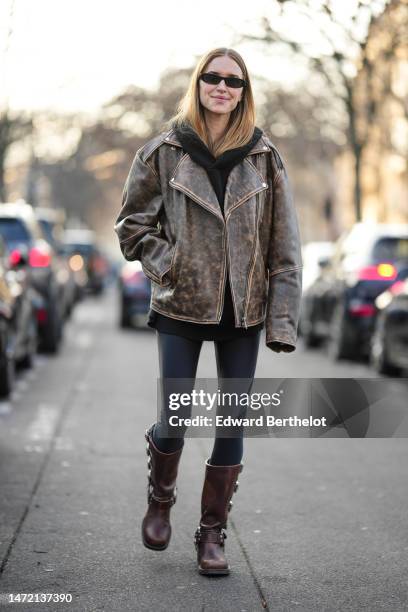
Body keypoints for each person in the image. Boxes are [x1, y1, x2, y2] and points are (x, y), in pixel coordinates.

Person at [114, 47, 303, 576]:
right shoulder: (163, 152)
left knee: (232, 421)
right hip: (181, 303)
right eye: (213, 78)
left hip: (243, 311)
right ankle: (160, 496)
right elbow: (131, 226)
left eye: (234, 81)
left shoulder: (265, 157)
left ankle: (212, 534)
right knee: (176, 415)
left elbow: (284, 246)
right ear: (198, 84)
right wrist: (169, 263)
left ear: (245, 91)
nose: (223, 87)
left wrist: (281, 321)